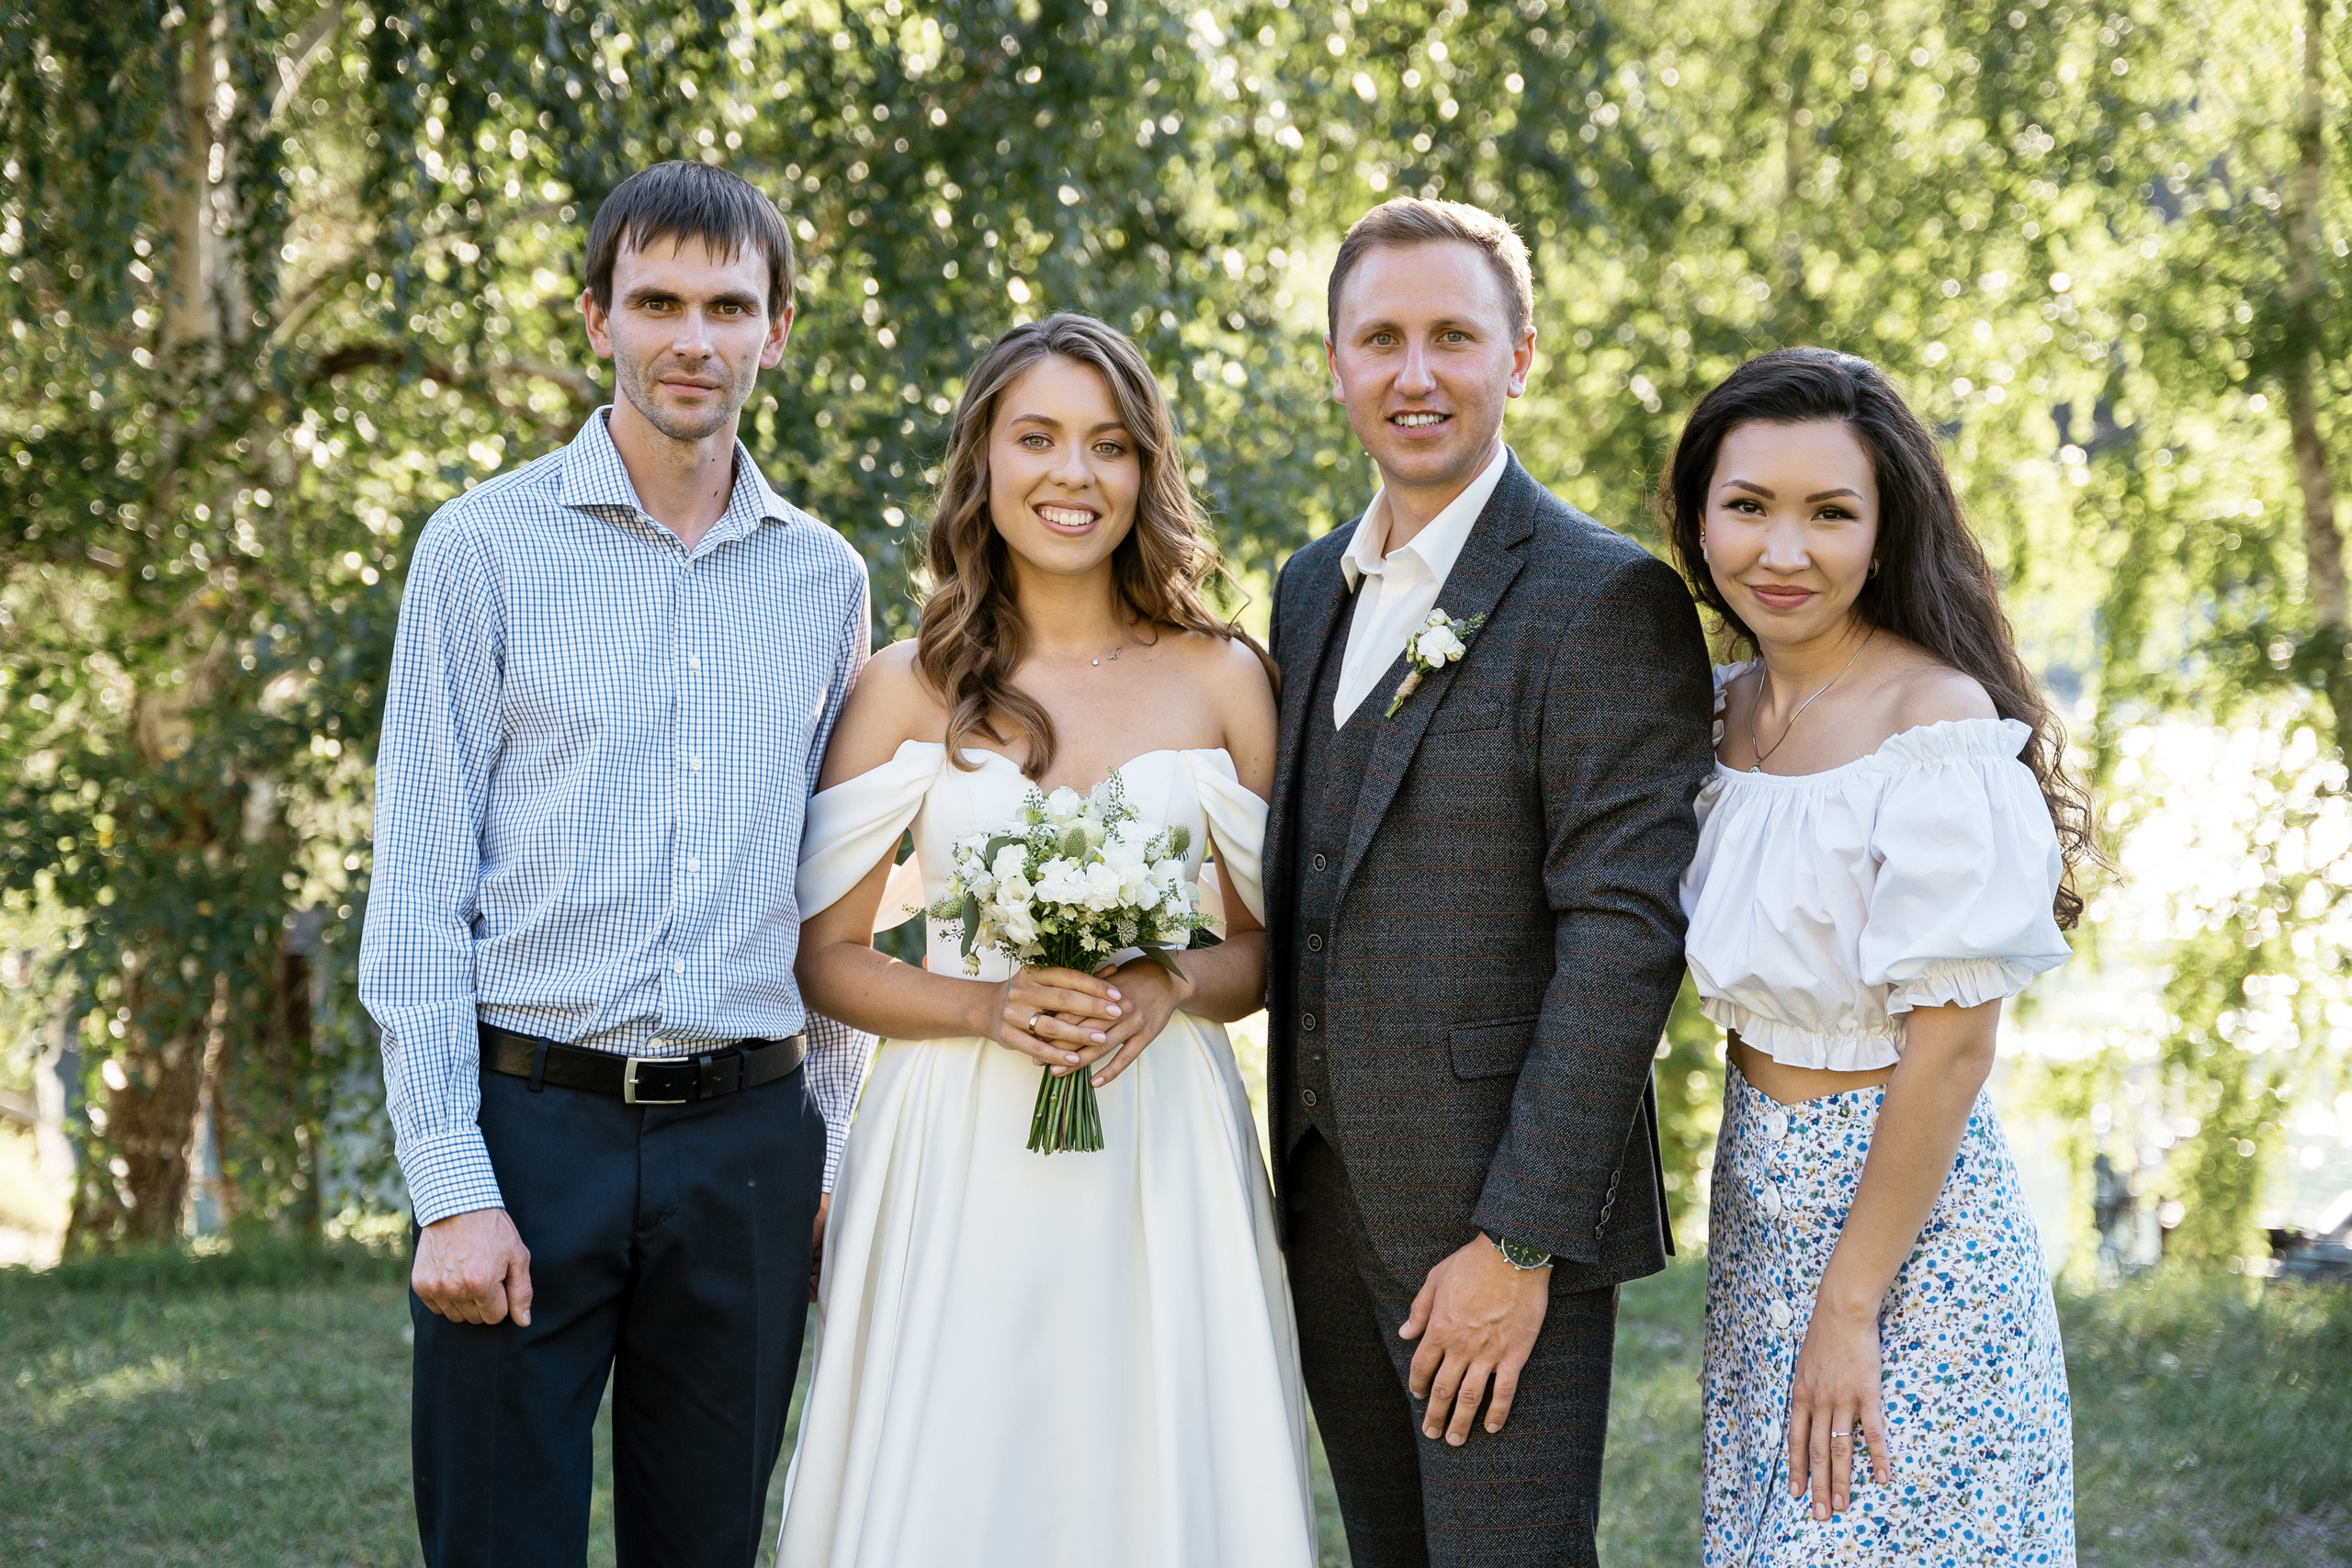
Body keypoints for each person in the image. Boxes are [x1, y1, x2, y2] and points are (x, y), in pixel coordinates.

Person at [358, 162, 873, 1568]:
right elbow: (415, 886)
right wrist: (453, 1184)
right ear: (596, 319)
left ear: (778, 331)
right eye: (656, 301)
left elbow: (831, 892)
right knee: (497, 1544)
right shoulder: (481, 550)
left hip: (751, 1145)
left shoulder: (826, 579)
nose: (690, 338)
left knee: (706, 1548)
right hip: (533, 1131)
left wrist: (834, 1143)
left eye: (728, 304)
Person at [777, 313, 1315, 1567]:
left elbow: (1274, 952)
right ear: (984, 462)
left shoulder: (1226, 677)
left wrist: (1165, 982)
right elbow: (823, 957)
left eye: (1110, 445)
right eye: (1039, 438)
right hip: (951, 1144)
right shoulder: (906, 686)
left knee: (1145, 1462)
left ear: (1146, 473)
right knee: (959, 1467)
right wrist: (981, 1007)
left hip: (1157, 1131)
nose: (1074, 474)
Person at [1261, 197, 1714, 1568]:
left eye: (1453, 336)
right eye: (1380, 338)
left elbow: (1626, 936)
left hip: (1498, 1224)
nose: (1415, 374)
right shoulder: (1303, 590)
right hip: (1324, 1198)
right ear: (1334, 363)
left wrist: (1518, 1246)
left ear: (1520, 359)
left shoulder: (1602, 599)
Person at [1667, 347, 2092, 1564]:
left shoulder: (1935, 728)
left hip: (1913, 1227)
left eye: (1830, 514)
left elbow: (1954, 1049)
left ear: (1885, 526)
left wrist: (1850, 1307)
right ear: (1701, 518)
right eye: (1748, 507)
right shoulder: (1711, 713)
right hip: (1758, 1204)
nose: (1783, 552)